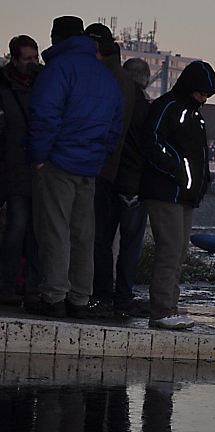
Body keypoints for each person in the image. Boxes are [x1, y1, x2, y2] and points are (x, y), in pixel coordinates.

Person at [26, 16, 123, 318]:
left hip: (58, 162)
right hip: (89, 167)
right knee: (83, 234)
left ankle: (54, 296)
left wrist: (40, 157)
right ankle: (80, 298)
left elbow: (44, 115)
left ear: (57, 38)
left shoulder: (59, 69)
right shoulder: (105, 75)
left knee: (55, 229)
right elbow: (114, 127)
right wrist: (98, 157)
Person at [140, 61, 215, 329]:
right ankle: (162, 309)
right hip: (166, 191)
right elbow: (151, 142)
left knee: (179, 251)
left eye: (207, 93)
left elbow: (198, 155)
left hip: (184, 195)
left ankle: (169, 306)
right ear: (190, 87)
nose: (204, 98)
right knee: (170, 250)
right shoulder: (168, 107)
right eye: (201, 92)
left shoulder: (194, 114)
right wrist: (176, 169)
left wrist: (201, 180)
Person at [85, 23, 138, 316]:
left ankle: (99, 294)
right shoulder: (124, 82)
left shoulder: (106, 79)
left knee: (97, 237)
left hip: (100, 169)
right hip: (113, 172)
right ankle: (106, 294)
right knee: (105, 239)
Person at [0, 35, 42, 305]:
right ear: (14, 59)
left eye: (34, 58)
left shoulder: (42, 82)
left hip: (34, 167)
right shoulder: (5, 86)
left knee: (31, 230)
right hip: (14, 167)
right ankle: (9, 285)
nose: (32, 64)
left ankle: (26, 286)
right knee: (18, 227)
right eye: (27, 59)